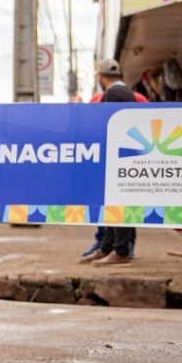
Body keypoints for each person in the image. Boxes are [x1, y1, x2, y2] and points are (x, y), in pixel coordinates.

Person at [81, 58, 136, 267]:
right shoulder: (127, 92)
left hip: (116, 156)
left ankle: (120, 251)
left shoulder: (112, 94)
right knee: (112, 203)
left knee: (116, 203)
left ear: (101, 77)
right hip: (124, 153)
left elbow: (104, 125)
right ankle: (107, 247)